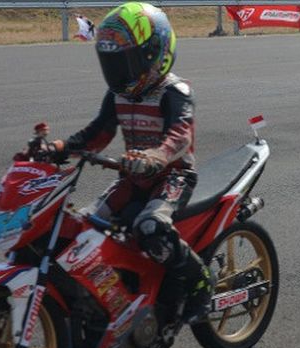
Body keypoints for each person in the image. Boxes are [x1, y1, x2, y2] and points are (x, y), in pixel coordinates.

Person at [52, 2, 214, 324]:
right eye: (112, 64)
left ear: (156, 53)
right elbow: (98, 132)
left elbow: (181, 135)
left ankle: (200, 282)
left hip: (173, 176)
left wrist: (157, 156)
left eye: (126, 62)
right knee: (83, 225)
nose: (119, 72)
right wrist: (60, 147)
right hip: (133, 178)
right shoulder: (116, 95)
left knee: (151, 226)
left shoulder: (175, 91)